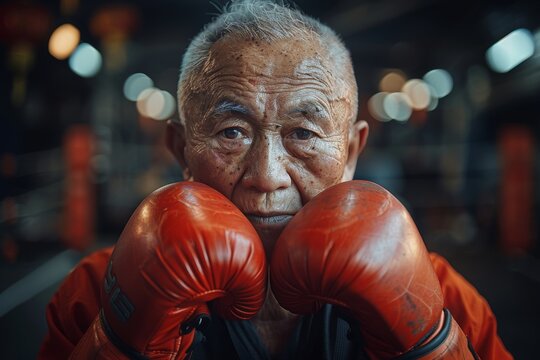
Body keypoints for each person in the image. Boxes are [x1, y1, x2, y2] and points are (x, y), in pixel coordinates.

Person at [39, 1, 513, 359]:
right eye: (232, 132)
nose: (267, 176)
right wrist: (121, 339)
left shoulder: (442, 296)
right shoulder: (98, 292)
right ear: (181, 148)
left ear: (350, 152)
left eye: (304, 133)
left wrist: (431, 344)